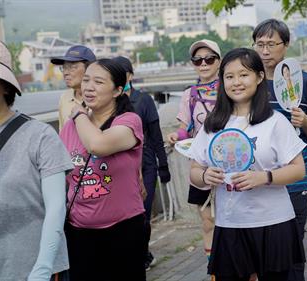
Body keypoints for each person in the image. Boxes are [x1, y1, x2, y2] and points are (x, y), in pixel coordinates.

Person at [189, 47, 306, 281]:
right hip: (230, 223)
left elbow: (298, 169)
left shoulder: (275, 121)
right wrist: (205, 176)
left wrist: (264, 177)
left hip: (274, 222)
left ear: (259, 77)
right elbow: (194, 170)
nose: (236, 82)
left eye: (243, 75)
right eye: (229, 76)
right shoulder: (213, 124)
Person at [60, 59, 146, 281]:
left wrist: (78, 114)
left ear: (118, 90)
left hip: (124, 231)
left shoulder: (129, 121)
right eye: (86, 80)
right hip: (79, 232)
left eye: (98, 82)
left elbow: (98, 145)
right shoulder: (70, 127)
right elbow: (61, 172)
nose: (89, 87)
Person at [252, 18, 307, 281]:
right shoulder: (250, 82)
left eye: (271, 44)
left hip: (296, 176)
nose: (265, 51)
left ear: (286, 45)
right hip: (258, 178)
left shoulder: (304, 81)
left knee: (292, 244)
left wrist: (304, 121)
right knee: (263, 246)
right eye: (260, 44)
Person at [0, 41, 73, 281]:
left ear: (4, 87)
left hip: (32, 268)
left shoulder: (39, 135)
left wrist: (43, 267)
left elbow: (56, 207)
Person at [113, 56, 171, 270]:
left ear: (130, 75)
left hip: (146, 163)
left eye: (123, 72)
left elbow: (155, 135)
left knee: (144, 213)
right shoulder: (112, 102)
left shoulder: (143, 100)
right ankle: (138, 254)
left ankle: (142, 253)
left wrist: (163, 166)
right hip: (122, 167)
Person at [166, 39, 221, 263]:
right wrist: (175, 137)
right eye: (198, 60)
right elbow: (185, 129)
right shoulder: (189, 95)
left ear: (219, 61)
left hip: (231, 163)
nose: (204, 64)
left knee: (233, 221)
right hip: (200, 167)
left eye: (209, 59)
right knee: (207, 221)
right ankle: (215, 269)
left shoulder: (231, 89)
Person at [51, 45, 96, 130]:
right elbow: (63, 133)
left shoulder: (102, 98)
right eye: (64, 68)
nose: (65, 73)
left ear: (90, 68)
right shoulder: (64, 98)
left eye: (72, 67)